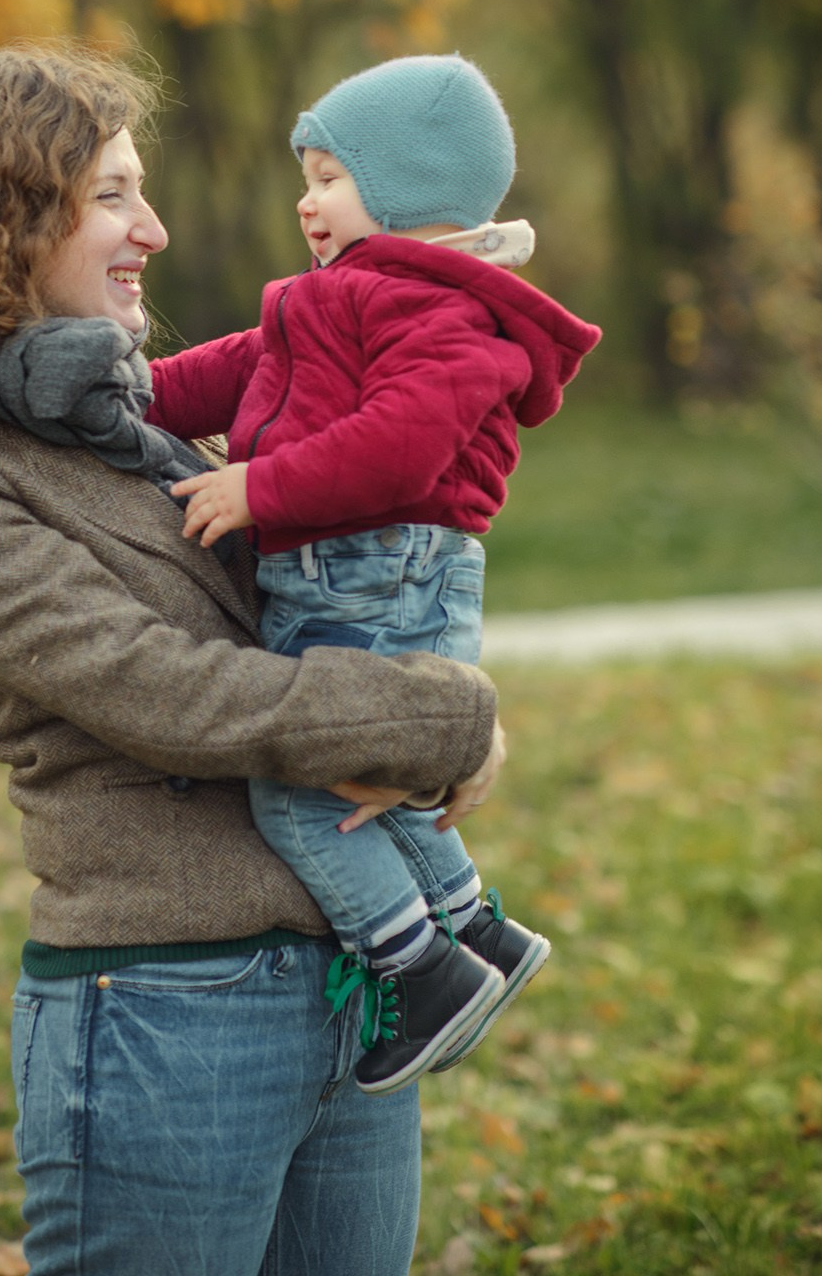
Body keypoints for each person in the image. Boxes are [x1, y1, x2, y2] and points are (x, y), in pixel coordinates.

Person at [0, 42, 507, 1276]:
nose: (156, 230)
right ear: (2, 223)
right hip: (166, 1015)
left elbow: (350, 589)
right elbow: (172, 697)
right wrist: (442, 720)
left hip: (349, 999)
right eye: (114, 193)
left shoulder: (141, 424)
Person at [147, 55, 600, 1094]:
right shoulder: (352, 293)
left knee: (308, 791)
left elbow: (401, 446)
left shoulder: (435, 308)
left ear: (405, 188)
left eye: (328, 178)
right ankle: (477, 931)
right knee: (373, 786)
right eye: (306, 178)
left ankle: (422, 971)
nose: (306, 202)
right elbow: (236, 366)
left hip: (375, 564)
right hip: (354, 564)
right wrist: (129, 393)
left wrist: (261, 489)